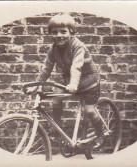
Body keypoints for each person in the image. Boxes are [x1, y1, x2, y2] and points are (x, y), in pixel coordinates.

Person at [27, 13, 104, 148]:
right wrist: (35, 85)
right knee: (56, 98)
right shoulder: (52, 50)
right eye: (54, 32)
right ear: (50, 34)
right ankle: (57, 126)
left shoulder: (78, 47)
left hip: (89, 82)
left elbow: (76, 66)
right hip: (70, 81)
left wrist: (73, 84)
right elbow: (46, 69)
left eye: (63, 31)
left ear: (71, 32)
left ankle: (101, 135)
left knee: (90, 111)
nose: (59, 35)